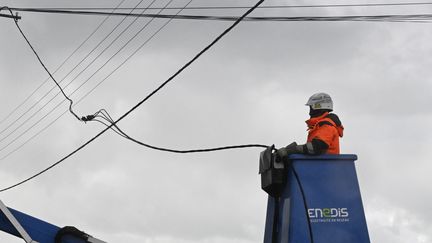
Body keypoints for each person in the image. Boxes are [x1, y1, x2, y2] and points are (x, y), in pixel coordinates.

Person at [276, 92, 344, 160]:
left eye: (311, 109)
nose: (310, 113)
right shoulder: (320, 125)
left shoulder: (327, 125)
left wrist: (292, 150)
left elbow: (317, 147)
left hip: (325, 167)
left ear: (319, 107)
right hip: (320, 165)